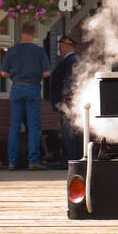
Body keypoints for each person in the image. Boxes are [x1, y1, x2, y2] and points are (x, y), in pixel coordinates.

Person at [1, 22, 50, 170]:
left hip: (16, 88)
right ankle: (33, 161)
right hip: (33, 88)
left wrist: (14, 76)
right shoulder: (39, 51)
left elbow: (3, 73)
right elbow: (46, 73)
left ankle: (12, 161)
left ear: (21, 33)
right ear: (33, 34)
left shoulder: (11, 50)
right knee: (33, 127)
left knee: (14, 127)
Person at [50, 33, 84, 164]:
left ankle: (71, 159)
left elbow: (70, 83)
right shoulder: (72, 60)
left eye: (61, 45)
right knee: (75, 131)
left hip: (68, 102)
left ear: (67, 46)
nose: (59, 49)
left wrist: (61, 100)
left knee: (69, 132)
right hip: (72, 102)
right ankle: (76, 158)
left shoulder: (72, 61)